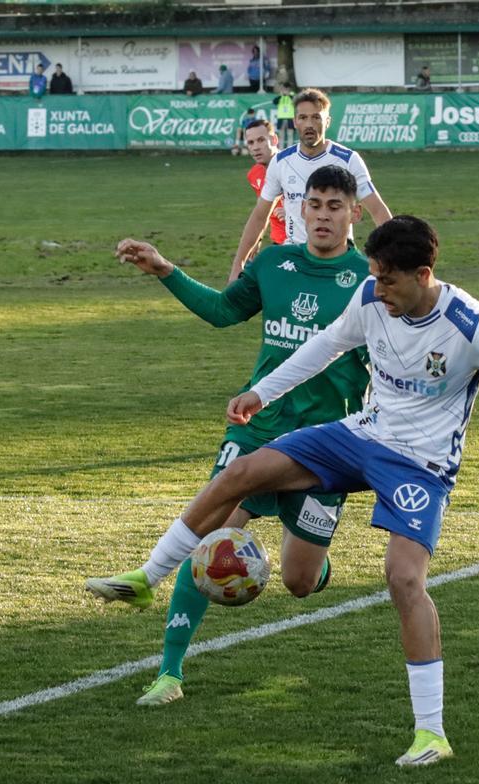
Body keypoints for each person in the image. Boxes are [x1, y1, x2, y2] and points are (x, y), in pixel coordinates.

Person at [86, 214, 479, 765]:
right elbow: (325, 345)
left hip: (420, 466)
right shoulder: (373, 298)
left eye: (388, 280)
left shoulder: (475, 327)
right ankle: (147, 577)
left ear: (423, 275)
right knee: (239, 473)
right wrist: (262, 393)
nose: (376, 288)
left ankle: (431, 732)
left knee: (403, 579)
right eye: (373, 276)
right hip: (358, 434)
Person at [97, 166, 373, 707]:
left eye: (333, 206)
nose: (321, 214)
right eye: (313, 204)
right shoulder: (274, 262)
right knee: (213, 530)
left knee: (298, 580)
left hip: (324, 442)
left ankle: (308, 567)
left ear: (353, 213)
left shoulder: (369, 280)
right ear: (299, 208)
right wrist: (164, 270)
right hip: (258, 425)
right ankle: (169, 673)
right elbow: (225, 311)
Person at [227, 88, 393, 282]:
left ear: (327, 121)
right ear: (295, 121)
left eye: (316, 117)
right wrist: (238, 264)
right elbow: (259, 216)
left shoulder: (348, 160)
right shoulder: (281, 162)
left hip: (337, 259)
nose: (309, 124)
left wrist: (395, 257)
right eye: (303, 117)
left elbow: (378, 210)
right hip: (294, 258)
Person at [242, 119, 288, 250]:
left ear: (274, 140)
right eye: (251, 142)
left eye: (261, 140)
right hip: (279, 242)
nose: (255, 147)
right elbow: (262, 211)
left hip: (304, 243)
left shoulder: (294, 166)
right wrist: (257, 240)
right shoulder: (254, 174)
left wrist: (294, 213)